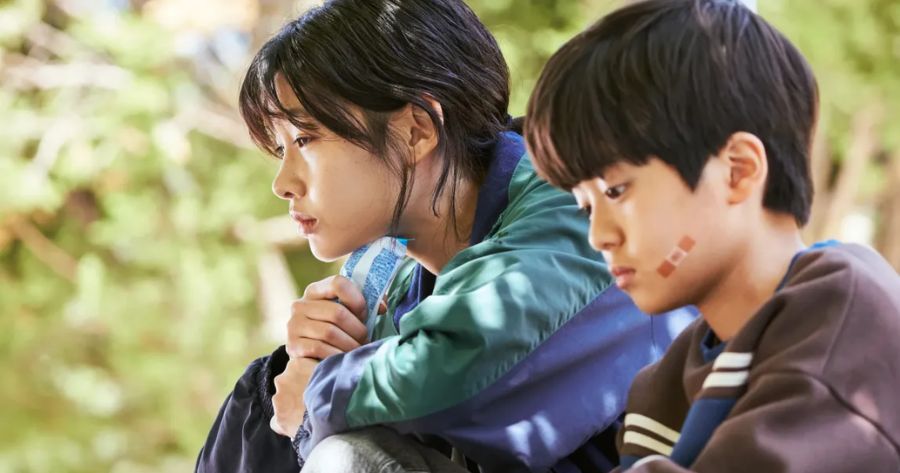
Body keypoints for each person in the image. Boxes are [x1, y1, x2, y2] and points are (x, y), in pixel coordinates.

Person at [195, 1, 694, 472]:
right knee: (265, 391)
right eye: (279, 148)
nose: (283, 183)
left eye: (305, 139)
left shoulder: (578, 211)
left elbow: (458, 377)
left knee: (349, 460)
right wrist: (304, 361)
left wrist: (316, 393)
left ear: (416, 130)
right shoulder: (387, 269)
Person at [524, 0, 900, 471]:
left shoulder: (844, 332)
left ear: (737, 171)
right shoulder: (664, 384)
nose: (598, 236)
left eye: (616, 190)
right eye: (585, 206)